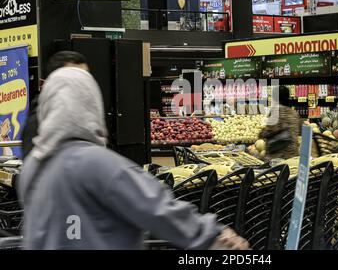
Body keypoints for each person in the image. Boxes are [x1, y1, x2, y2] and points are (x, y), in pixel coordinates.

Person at [18, 67, 249, 250]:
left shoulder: (32, 167)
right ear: (91, 105)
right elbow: (158, 209)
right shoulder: (95, 163)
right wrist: (211, 235)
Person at [21, 51, 89, 160]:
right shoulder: (39, 118)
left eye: (85, 77)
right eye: (74, 77)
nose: (83, 83)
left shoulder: (86, 112)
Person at [259, 86, 301, 160]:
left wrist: (261, 133)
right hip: (293, 155)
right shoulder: (294, 113)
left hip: (278, 156)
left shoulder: (276, 111)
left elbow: (269, 130)